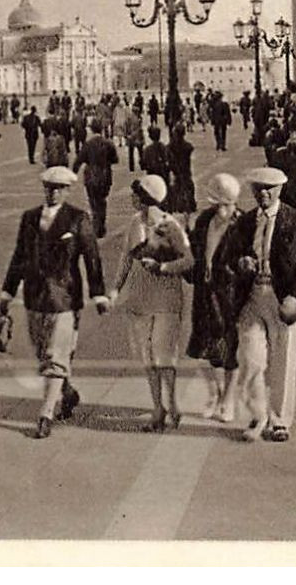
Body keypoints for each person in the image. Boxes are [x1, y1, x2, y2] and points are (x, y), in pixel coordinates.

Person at [0, 166, 111, 439]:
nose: (53, 192)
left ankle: (46, 414)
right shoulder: (29, 218)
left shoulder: (78, 218)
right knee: (42, 355)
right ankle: (67, 393)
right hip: (34, 297)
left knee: (55, 357)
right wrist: (6, 294)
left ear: (67, 190)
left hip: (65, 298)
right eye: (49, 187)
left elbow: (92, 258)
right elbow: (19, 258)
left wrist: (99, 294)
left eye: (59, 188)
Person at [211, 166, 296, 442]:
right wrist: (240, 262)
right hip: (252, 298)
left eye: (268, 189)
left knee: (284, 361)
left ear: (279, 190)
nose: (263, 194)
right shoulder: (245, 223)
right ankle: (258, 414)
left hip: (283, 299)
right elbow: (228, 257)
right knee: (251, 360)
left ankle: (279, 421)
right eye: (258, 189)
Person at [113, 174, 193, 431]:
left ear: (145, 198)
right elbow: (126, 258)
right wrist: (115, 288)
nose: (132, 199)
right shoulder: (134, 223)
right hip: (139, 297)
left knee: (165, 355)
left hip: (167, 299)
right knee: (147, 357)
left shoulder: (171, 225)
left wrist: (163, 266)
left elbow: (189, 260)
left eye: (135, 195)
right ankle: (157, 408)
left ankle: (172, 402)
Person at [187, 173, 242, 418]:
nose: (221, 209)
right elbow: (194, 252)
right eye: (217, 204)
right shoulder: (204, 220)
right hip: (204, 293)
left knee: (231, 350)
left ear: (234, 202)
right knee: (204, 347)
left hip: (229, 295)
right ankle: (216, 393)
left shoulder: (242, 225)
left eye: (226, 205)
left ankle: (229, 400)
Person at [72, 118, 119, 239]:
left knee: (93, 201)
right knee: (102, 201)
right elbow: (115, 159)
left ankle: (97, 224)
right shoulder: (108, 143)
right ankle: (101, 225)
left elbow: (78, 160)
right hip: (105, 176)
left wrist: (74, 172)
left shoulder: (88, 144)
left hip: (91, 176)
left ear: (92, 129)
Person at [164, 122, 197, 220]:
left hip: (176, 170)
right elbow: (191, 148)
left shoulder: (171, 146)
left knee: (177, 188)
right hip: (185, 170)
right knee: (188, 186)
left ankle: (177, 205)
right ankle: (190, 204)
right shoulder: (187, 146)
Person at [121, 103, 143, 172]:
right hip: (137, 137)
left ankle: (131, 167)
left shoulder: (129, 118)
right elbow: (139, 129)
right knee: (140, 152)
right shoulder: (138, 118)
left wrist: (126, 135)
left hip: (131, 137)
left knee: (131, 153)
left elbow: (125, 126)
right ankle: (142, 165)